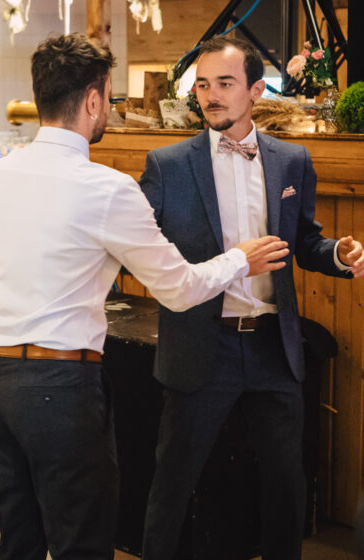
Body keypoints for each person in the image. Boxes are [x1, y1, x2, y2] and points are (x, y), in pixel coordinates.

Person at [0, 32, 290, 560]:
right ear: (93, 100)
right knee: (81, 543)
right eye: (108, 97)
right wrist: (241, 259)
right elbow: (180, 290)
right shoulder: (107, 188)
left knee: (19, 540)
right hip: (58, 386)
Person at [139, 36, 364, 560]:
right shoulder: (166, 164)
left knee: (286, 487)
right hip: (201, 347)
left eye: (224, 83)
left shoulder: (292, 160)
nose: (210, 95)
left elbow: (302, 242)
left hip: (273, 349)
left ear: (256, 91)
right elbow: (144, 251)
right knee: (172, 483)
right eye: (202, 85)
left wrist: (338, 253)